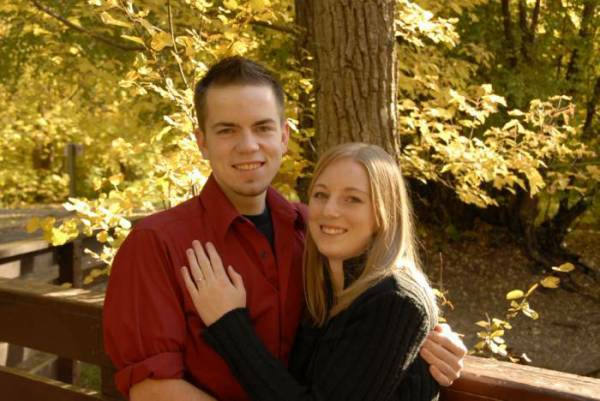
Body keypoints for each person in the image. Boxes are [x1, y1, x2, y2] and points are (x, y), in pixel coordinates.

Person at [103, 56, 466, 401]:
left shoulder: (314, 230)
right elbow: (153, 392)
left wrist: (431, 337)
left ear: (284, 136)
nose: (248, 146)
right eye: (227, 130)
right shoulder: (158, 243)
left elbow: (383, 302)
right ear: (202, 142)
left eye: (262, 127)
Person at [181, 143, 440, 401]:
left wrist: (229, 323)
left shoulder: (394, 300)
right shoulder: (326, 291)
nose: (329, 210)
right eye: (321, 195)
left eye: (352, 199)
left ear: (385, 213)